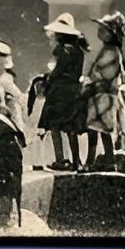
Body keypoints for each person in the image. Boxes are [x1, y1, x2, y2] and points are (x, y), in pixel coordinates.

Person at [35, 13, 88, 171]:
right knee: (71, 127)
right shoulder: (79, 49)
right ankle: (77, 161)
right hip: (73, 91)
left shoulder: (62, 50)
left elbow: (58, 71)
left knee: (54, 125)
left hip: (59, 91)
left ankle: (61, 159)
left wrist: (47, 78)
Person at [82, 11, 125, 164]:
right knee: (95, 129)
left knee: (102, 130)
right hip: (99, 95)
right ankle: (93, 160)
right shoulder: (107, 50)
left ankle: (107, 160)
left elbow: (108, 75)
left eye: (103, 29)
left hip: (105, 96)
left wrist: (93, 79)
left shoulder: (112, 52)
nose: (99, 32)